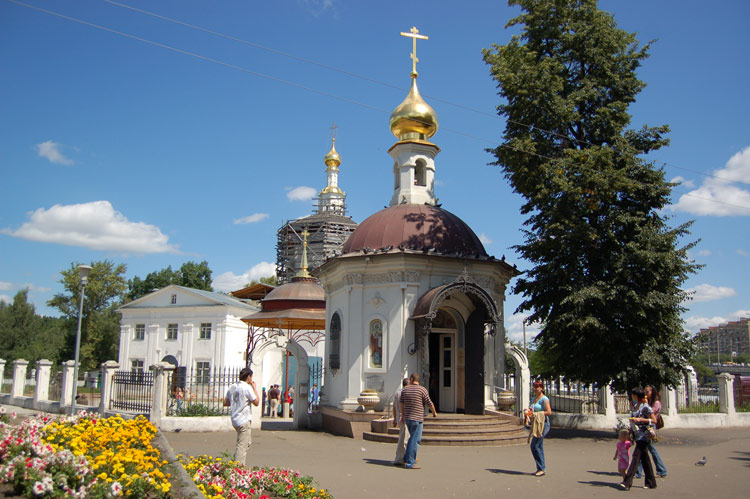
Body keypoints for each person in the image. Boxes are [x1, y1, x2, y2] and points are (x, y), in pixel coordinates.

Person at [620, 387, 657, 490]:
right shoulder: (636, 406)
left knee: (636, 457)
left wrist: (641, 419)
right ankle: (651, 482)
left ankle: (627, 482)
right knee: (645, 459)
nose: (632, 397)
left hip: (644, 435)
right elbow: (632, 422)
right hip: (637, 434)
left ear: (637, 396)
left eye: (633, 395)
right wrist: (629, 432)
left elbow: (654, 420)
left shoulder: (646, 407)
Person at [399, 373, 437, 469]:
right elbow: (429, 402)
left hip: (408, 418)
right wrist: (434, 413)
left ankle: (405, 458)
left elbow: (401, 403)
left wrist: (403, 416)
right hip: (418, 418)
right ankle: (410, 463)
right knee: (415, 440)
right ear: (417, 380)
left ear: (411, 379)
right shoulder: (422, 389)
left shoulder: (405, 390)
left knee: (412, 438)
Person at [223, 367, 260, 466]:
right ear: (248, 377)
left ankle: (235, 460)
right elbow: (256, 402)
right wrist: (254, 388)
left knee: (247, 442)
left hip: (235, 418)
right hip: (244, 419)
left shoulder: (233, 387)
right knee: (242, 445)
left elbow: (226, 402)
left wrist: (237, 401)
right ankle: (238, 468)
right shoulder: (247, 387)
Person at [636, 385, 667, 477]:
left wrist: (645, 405)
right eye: (645, 392)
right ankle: (638, 472)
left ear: (652, 392)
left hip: (650, 428)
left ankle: (662, 470)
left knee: (650, 449)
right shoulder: (647, 402)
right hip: (644, 427)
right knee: (642, 449)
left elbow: (650, 415)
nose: (646, 394)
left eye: (647, 392)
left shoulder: (656, 403)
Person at [527, 380, 552, 476]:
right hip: (536, 424)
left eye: (537, 386)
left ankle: (541, 468)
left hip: (543, 424)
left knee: (535, 445)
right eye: (534, 386)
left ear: (541, 388)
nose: (535, 388)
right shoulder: (534, 398)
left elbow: (549, 412)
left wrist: (537, 414)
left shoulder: (544, 399)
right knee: (539, 446)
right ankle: (541, 468)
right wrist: (528, 412)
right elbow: (532, 409)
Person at [392, 378, 411, 466]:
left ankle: (405, 456)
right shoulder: (405, 393)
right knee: (404, 440)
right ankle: (399, 458)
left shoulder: (397, 393)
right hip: (404, 418)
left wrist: (395, 419)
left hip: (400, 418)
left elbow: (394, 407)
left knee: (403, 437)